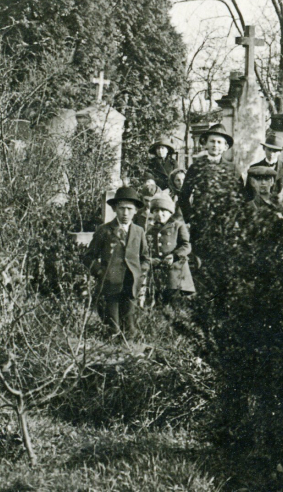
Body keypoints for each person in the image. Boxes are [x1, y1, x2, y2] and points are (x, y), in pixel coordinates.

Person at [86, 184, 149, 338]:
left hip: (131, 283)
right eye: (121, 208)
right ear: (114, 209)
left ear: (135, 210)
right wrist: (100, 271)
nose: (125, 213)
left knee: (130, 325)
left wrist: (140, 273)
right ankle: (112, 342)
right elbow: (88, 256)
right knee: (112, 327)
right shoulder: (104, 230)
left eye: (129, 209)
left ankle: (130, 344)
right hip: (110, 283)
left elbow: (145, 258)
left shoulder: (139, 231)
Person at [146, 189, 195, 323]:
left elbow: (186, 245)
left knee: (176, 305)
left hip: (176, 271)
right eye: (156, 211)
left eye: (163, 210)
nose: (159, 214)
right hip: (159, 273)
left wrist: (174, 256)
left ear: (170, 212)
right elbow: (146, 250)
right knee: (160, 304)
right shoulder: (150, 230)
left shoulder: (178, 226)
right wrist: (151, 259)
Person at [179, 125, 234, 222]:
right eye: (212, 141)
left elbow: (239, 196)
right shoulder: (196, 168)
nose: (215, 145)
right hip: (201, 220)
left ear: (225, 147)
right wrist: (189, 218)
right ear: (205, 145)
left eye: (219, 142)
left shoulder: (232, 169)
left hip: (224, 221)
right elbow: (183, 196)